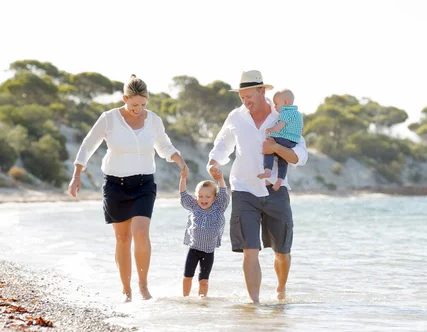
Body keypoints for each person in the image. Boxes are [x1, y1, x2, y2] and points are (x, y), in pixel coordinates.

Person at [68, 74, 188, 303]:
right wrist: (76, 174)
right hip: (115, 185)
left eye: (143, 104)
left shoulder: (153, 120)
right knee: (122, 238)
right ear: (124, 98)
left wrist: (179, 159)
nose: (139, 109)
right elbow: (88, 144)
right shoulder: (109, 118)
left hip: (144, 184)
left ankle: (143, 287)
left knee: (141, 232)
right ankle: (126, 290)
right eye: (134, 105)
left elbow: (163, 145)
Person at [207, 70, 308, 303]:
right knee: (250, 250)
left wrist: (276, 149)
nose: (245, 102)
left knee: (282, 252)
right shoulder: (236, 117)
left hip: (275, 190)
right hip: (243, 190)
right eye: (242, 97)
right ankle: (255, 303)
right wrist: (213, 163)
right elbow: (222, 144)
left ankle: (281, 291)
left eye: (249, 96)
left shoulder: (283, 116)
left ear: (262, 91)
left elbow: (300, 155)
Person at [179, 166, 229, 298]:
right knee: (187, 277)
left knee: (204, 281)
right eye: (200, 196)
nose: (203, 199)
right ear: (196, 197)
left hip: (209, 251)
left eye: (207, 196)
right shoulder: (194, 206)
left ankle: (202, 302)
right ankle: (186, 299)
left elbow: (224, 193)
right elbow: (183, 194)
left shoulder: (219, 208)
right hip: (193, 249)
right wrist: (183, 178)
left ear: (214, 198)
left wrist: (220, 179)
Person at [258, 88, 304, 191]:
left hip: (283, 138)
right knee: (283, 160)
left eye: (276, 104)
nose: (275, 106)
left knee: (269, 149)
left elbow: (280, 125)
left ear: (285, 102)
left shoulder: (285, 112)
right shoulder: (298, 114)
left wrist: (271, 130)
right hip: (292, 142)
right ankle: (280, 180)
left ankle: (267, 170)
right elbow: (302, 129)